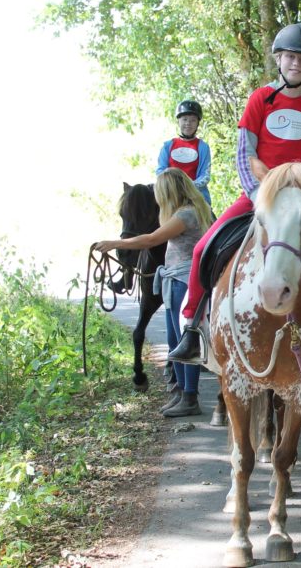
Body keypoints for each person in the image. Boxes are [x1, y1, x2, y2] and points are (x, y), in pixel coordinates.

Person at [169, 23, 301, 366]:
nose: (296, 64)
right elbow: (247, 152)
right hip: (261, 193)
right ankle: (191, 329)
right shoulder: (260, 99)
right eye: (290, 57)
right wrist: (263, 196)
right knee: (202, 248)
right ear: (278, 59)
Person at [93, 168, 212, 416]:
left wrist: (115, 243)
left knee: (184, 341)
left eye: (159, 193)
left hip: (185, 280)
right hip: (173, 280)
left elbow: (150, 240)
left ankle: (190, 396)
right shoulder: (180, 213)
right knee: (174, 341)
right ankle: (180, 391)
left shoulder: (187, 215)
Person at [157, 100, 212, 207]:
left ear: (197, 123)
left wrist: (187, 187)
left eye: (192, 120)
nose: (188, 123)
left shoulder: (203, 147)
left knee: (211, 220)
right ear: (179, 121)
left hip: (195, 196)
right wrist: (174, 187)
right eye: (185, 119)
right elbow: (160, 171)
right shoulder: (167, 146)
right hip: (171, 195)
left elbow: (205, 175)